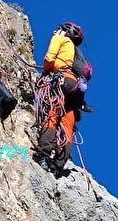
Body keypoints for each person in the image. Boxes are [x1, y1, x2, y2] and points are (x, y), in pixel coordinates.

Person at [34, 22, 92, 175]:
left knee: (51, 116)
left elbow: (49, 59)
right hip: (77, 90)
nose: (56, 30)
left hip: (62, 81)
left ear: (65, 31)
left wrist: (46, 72)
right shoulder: (78, 54)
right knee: (67, 127)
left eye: (59, 29)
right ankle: (58, 166)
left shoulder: (61, 39)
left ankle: (42, 155)